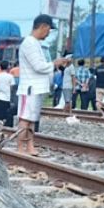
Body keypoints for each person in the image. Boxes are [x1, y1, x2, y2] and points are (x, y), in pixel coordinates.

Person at [17, 14, 69, 156]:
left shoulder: (35, 43)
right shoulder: (29, 43)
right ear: (43, 27)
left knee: (32, 119)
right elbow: (38, 66)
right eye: (48, 30)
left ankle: (30, 145)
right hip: (30, 87)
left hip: (36, 87)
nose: (48, 33)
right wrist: (55, 63)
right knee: (25, 119)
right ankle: (21, 147)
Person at [0, 61, 14, 127]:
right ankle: (5, 129)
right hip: (6, 98)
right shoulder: (10, 76)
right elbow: (11, 87)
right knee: (5, 115)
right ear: (8, 67)